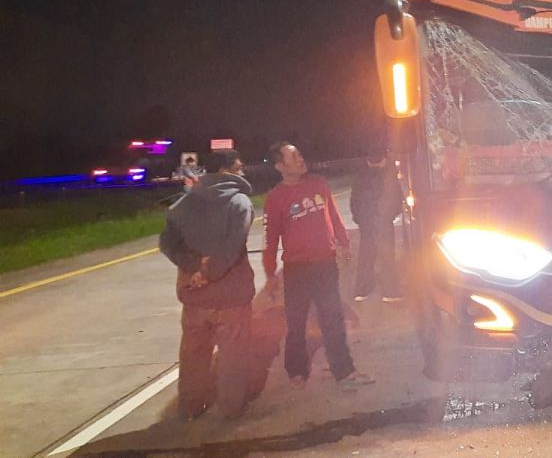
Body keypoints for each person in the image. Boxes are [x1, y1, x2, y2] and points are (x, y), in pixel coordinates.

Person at [263, 141, 375, 390]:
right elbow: (270, 240)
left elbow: (333, 216)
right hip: (296, 269)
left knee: (332, 319)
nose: (301, 159)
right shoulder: (276, 198)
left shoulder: (319, 185)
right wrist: (270, 274)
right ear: (280, 165)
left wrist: (344, 244)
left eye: (300, 154)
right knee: (296, 323)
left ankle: (344, 370)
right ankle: (296, 371)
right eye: (294, 157)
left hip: (325, 265)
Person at [158, 149, 256, 420]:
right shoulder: (239, 203)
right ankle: (231, 408)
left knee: (193, 355)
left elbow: (166, 243)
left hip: (194, 296)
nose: (242, 173)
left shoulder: (182, 205)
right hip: (230, 296)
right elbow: (232, 247)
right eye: (238, 168)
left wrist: (192, 267)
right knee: (233, 355)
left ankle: (190, 407)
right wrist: (209, 271)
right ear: (224, 171)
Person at [350, 148, 404, 302]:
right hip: (383, 222)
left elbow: (354, 201)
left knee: (366, 255)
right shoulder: (388, 177)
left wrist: (359, 219)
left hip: (366, 222)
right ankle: (390, 291)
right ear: (384, 160)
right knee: (387, 256)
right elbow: (396, 199)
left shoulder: (360, 177)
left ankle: (362, 290)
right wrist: (390, 216)